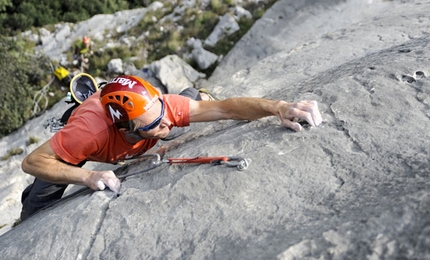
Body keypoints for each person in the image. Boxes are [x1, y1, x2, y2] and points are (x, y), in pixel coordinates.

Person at [20, 75, 322, 220]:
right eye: (152, 124)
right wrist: (87, 177)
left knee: (188, 104)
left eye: (162, 115)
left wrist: (278, 107)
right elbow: (33, 161)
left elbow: (226, 109)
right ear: (124, 126)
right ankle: (82, 102)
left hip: (137, 121)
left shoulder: (162, 110)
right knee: (36, 202)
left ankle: (193, 91)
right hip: (89, 143)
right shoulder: (89, 133)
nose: (165, 125)